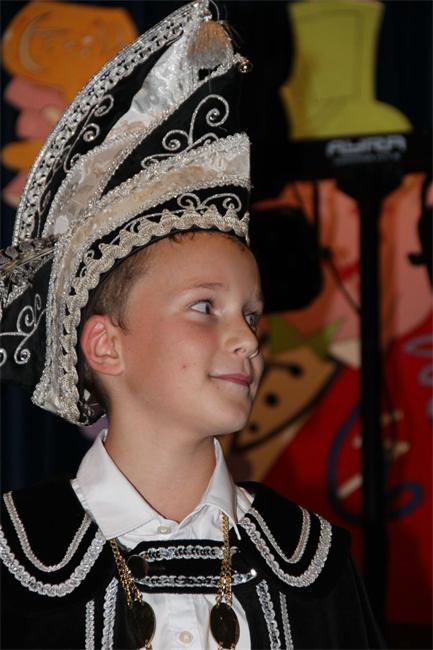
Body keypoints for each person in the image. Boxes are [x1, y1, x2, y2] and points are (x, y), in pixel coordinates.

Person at [0, 2, 384, 648]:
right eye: (205, 307)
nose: (247, 339)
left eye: (252, 314)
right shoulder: (17, 561)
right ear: (106, 345)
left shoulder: (311, 564)